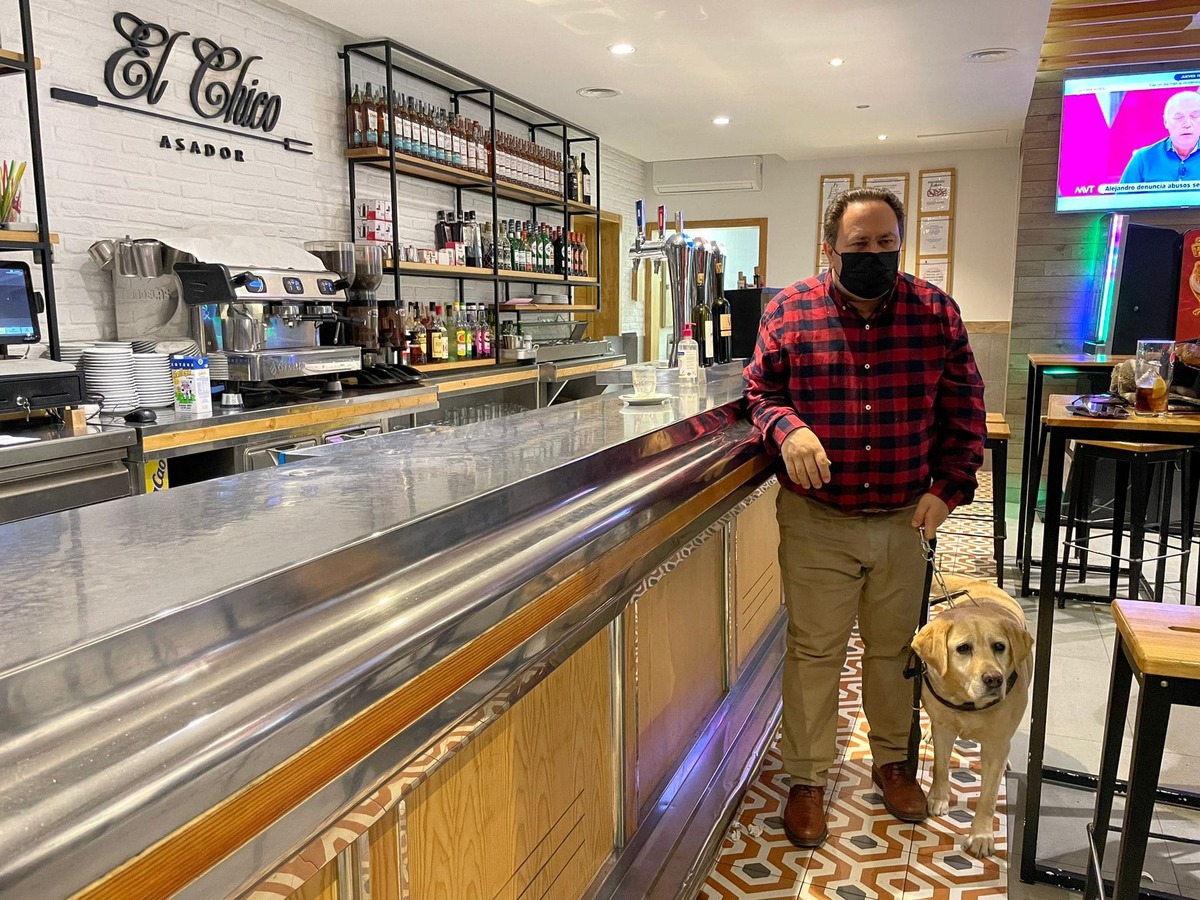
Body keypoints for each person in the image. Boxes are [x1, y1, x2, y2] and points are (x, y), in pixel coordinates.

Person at [743, 187, 986, 848]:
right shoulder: (790, 311)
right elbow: (759, 390)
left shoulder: (935, 312)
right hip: (819, 517)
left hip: (907, 516)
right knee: (815, 652)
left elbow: (966, 409)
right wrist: (787, 429)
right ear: (831, 249)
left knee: (892, 652)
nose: (875, 256)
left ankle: (892, 763)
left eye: (886, 245)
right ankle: (807, 780)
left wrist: (950, 488)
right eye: (860, 246)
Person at [1120, 90, 1200, 184]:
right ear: (1166, 122)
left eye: (1195, 116)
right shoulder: (1143, 158)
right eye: (1178, 117)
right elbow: (1122, 198)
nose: (1187, 124)